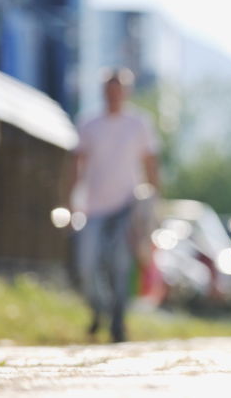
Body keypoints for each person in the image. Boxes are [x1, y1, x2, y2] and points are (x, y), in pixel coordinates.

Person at [68, 67, 160, 343]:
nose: (114, 95)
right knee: (87, 264)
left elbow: (150, 163)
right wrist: (69, 200)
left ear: (126, 92)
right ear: (103, 92)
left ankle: (118, 322)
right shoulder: (88, 124)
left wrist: (155, 202)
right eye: (109, 90)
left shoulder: (138, 124)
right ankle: (98, 310)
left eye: (119, 90)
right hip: (93, 207)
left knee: (120, 264)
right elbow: (76, 165)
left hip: (126, 207)